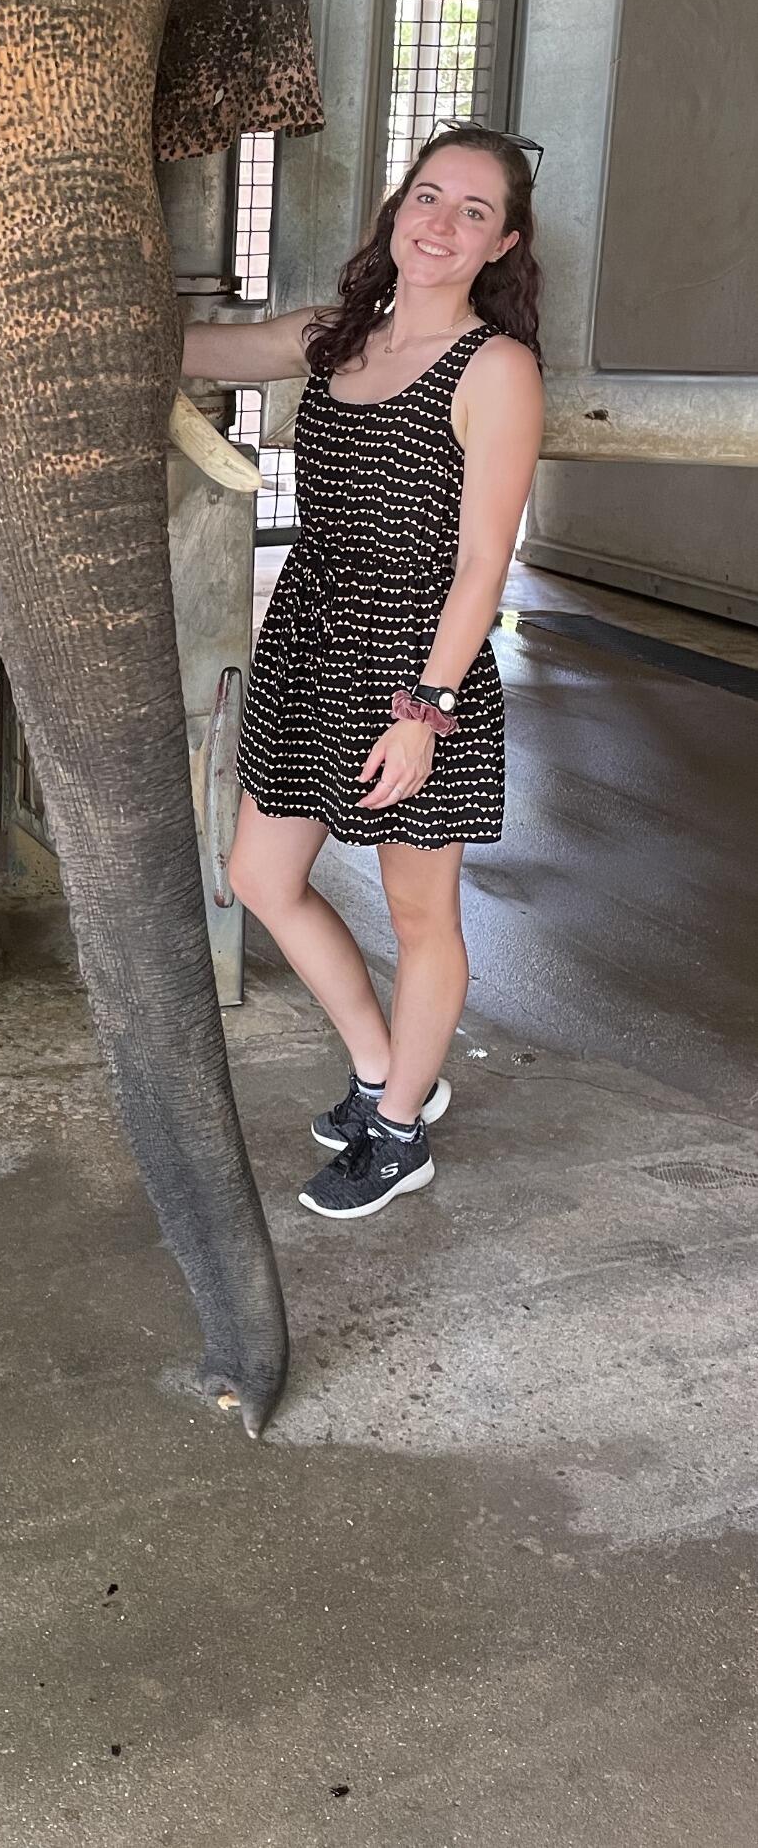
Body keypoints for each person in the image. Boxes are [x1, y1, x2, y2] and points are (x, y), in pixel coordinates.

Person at [183, 121, 546, 1220]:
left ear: (504, 243)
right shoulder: (338, 336)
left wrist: (427, 711)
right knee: (261, 876)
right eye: (428, 197)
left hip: (415, 664)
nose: (440, 224)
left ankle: (396, 1134)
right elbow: (193, 349)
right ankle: (393, 1072)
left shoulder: (499, 368)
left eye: (472, 211)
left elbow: (485, 561)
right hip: (311, 633)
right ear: (397, 210)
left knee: (420, 913)